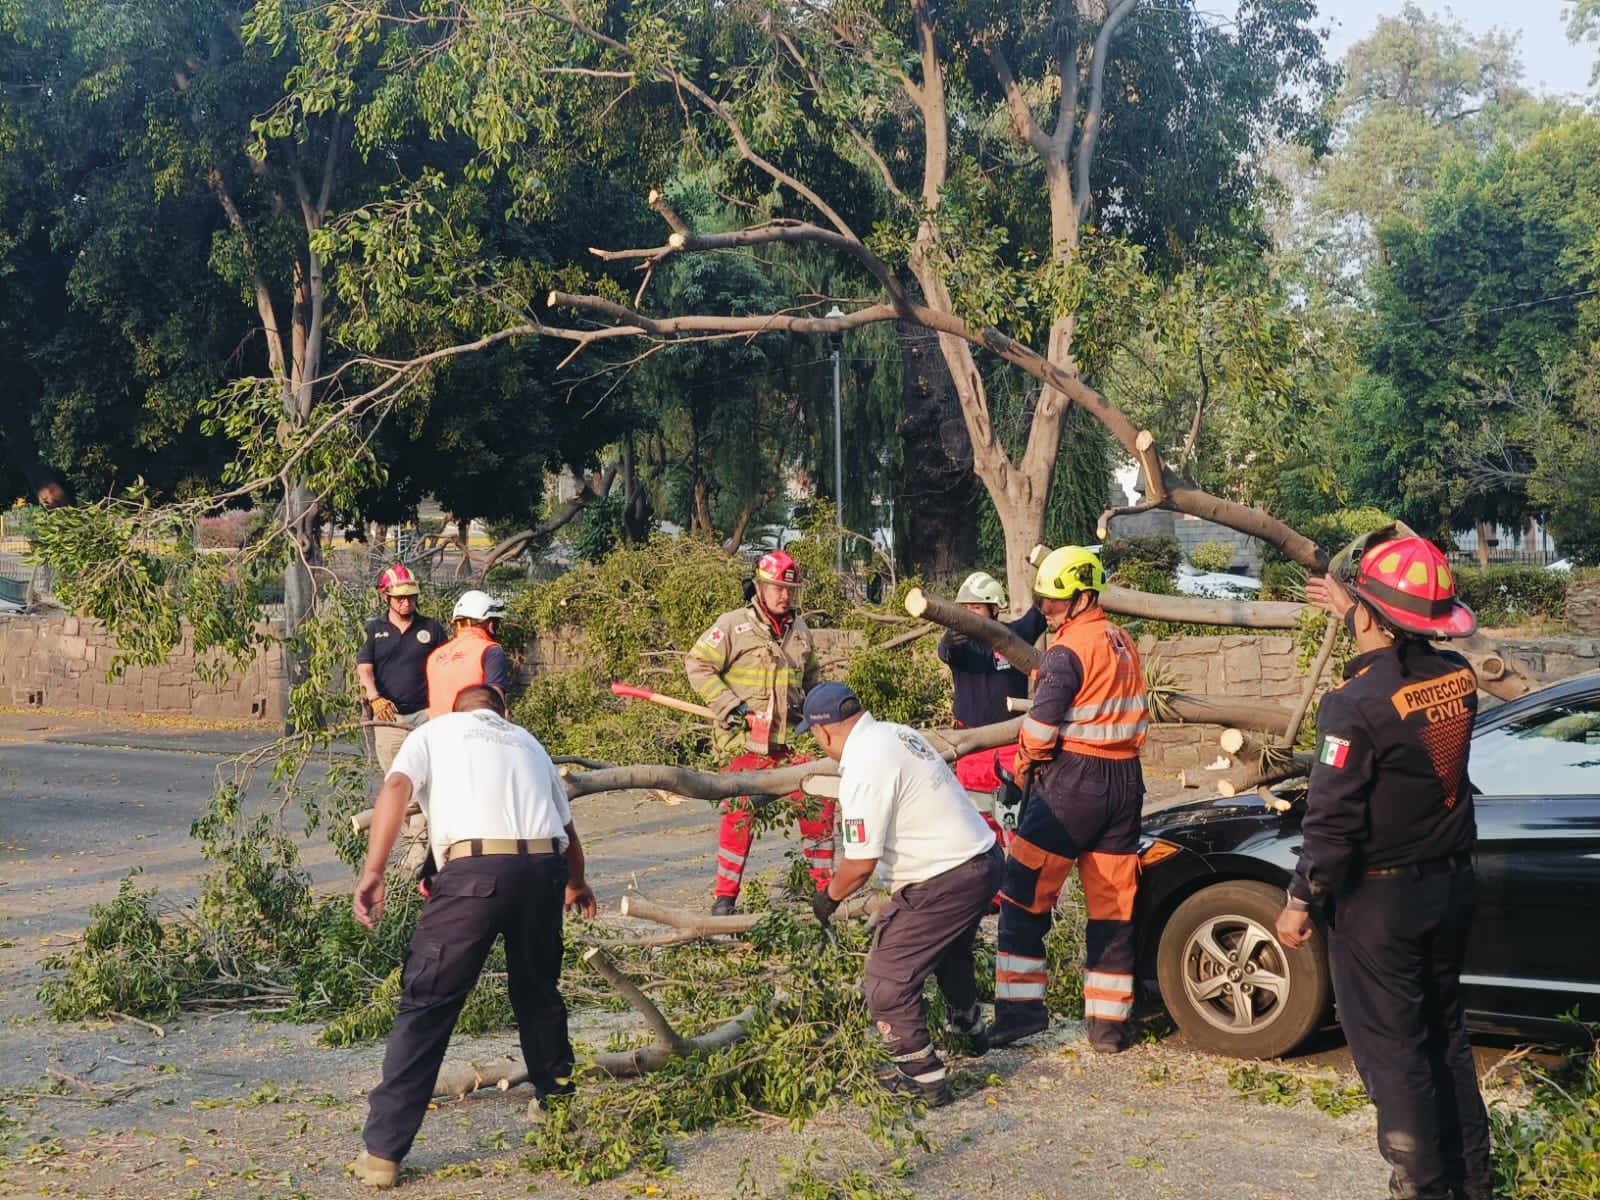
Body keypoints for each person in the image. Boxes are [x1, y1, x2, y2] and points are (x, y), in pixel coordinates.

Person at [1275, 534, 1490, 1200]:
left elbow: (1332, 822)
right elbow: (1404, 658)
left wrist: (1300, 898)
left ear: (1368, 616)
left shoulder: (1353, 705)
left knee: (1394, 1055)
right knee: (1444, 1038)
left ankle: (1421, 1188)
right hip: (1449, 885)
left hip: (1380, 906)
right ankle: (1472, 1185)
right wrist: (1354, 608)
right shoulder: (1457, 674)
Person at [349, 685, 597, 1190]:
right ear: (501, 713)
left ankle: (383, 1155)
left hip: (476, 873)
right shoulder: (528, 741)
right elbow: (569, 833)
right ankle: (558, 1113)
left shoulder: (433, 730)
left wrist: (372, 871)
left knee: (428, 1002)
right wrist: (576, 884)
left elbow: (396, 788)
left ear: (454, 711)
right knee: (538, 992)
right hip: (543, 870)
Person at [803, 682, 1001, 1107]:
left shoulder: (862, 764)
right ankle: (969, 1031)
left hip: (943, 875)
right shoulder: (897, 733)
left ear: (822, 733)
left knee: (887, 981)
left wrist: (827, 900)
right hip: (982, 860)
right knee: (949, 953)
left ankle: (922, 1076)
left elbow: (859, 865)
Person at [990, 545, 1147, 1052]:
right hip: (1126, 781)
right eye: (1045, 601)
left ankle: (1019, 1014)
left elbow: (1038, 731)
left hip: (1073, 782)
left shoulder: (1067, 651)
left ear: (1083, 597)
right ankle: (1108, 1027)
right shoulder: (1122, 640)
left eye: (1056, 602)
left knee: (1023, 892)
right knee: (1113, 905)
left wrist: (1023, 765)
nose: (1048, 611)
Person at [684, 549, 828, 915]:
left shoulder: (801, 631)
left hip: (791, 743)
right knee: (739, 814)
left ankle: (825, 892)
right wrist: (728, 705)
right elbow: (697, 663)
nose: (785, 595)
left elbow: (814, 681)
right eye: (778, 588)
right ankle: (724, 898)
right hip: (742, 743)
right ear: (760, 587)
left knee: (821, 798)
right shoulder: (733, 625)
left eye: (790, 590)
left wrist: (826, 716)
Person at [938, 570, 1048, 820]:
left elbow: (1041, 612)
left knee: (1017, 818)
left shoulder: (1014, 636)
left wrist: (1048, 570)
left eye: (975, 607)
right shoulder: (960, 646)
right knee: (977, 820)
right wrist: (949, 640)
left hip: (1011, 745)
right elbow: (946, 651)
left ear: (995, 609)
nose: (968, 614)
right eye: (964, 608)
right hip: (970, 747)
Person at [357, 564, 448, 773]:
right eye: (400, 598)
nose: (406, 603)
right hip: (389, 716)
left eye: (411, 597)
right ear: (386, 597)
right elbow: (364, 668)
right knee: (395, 775)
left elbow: (445, 666)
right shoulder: (373, 629)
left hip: (427, 713)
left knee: (430, 772)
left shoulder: (431, 628)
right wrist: (374, 697)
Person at [425, 590, 512, 719]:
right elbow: (495, 703)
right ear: (491, 625)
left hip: (438, 733)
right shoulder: (491, 651)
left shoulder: (436, 656)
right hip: (475, 733)